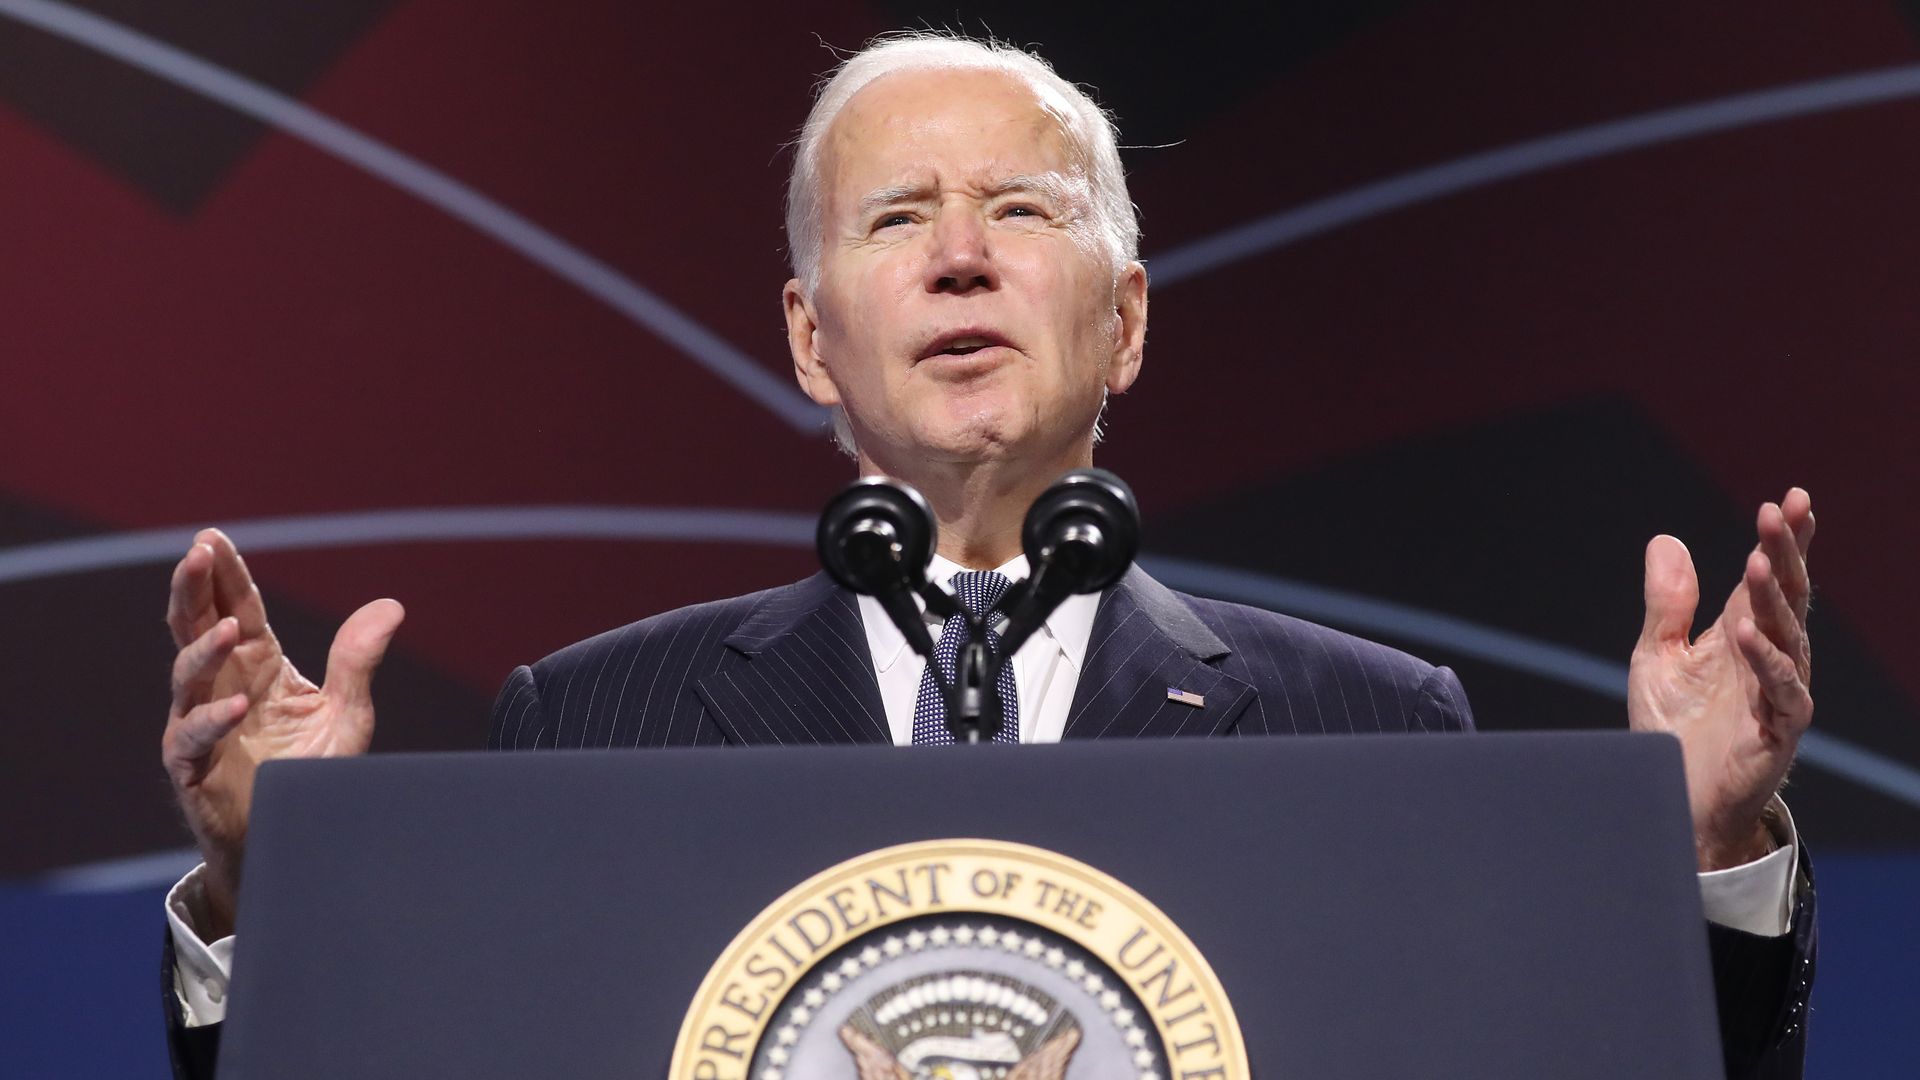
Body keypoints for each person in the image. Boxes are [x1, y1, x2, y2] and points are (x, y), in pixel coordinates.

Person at [158, 33, 1816, 1080]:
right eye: (897, 220)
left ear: (1129, 319)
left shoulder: (1373, 722)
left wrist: (1696, 860)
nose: (960, 257)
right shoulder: (590, 725)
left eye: (1021, 213)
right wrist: (271, 891)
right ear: (813, 342)